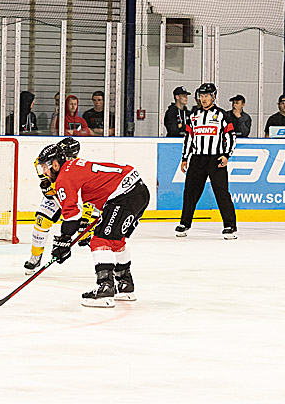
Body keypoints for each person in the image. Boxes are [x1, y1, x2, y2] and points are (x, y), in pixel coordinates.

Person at [39, 144, 151, 307]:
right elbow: (96, 190)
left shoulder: (64, 177)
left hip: (123, 196)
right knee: (115, 240)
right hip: (138, 191)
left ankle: (105, 288)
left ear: (55, 164)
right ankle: (125, 286)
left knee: (100, 241)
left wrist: (64, 240)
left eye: (44, 167)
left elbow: (72, 214)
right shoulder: (73, 167)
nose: (43, 173)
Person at [24, 138, 98, 274]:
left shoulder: (78, 167)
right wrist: (46, 187)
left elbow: (87, 194)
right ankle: (35, 256)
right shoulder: (42, 161)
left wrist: (85, 217)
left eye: (71, 156)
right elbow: (46, 179)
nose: (67, 159)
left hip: (72, 196)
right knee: (41, 221)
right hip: (55, 195)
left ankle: (104, 264)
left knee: (86, 231)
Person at [177, 83, 238, 239]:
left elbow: (231, 137)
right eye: (202, 96)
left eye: (207, 96)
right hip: (197, 159)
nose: (204, 99)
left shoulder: (222, 115)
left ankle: (230, 225)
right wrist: (185, 157)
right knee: (190, 192)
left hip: (216, 158)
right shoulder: (193, 115)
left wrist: (226, 155)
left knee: (221, 192)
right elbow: (189, 138)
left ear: (213, 97)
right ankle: (184, 223)